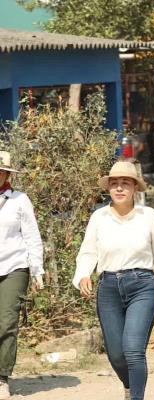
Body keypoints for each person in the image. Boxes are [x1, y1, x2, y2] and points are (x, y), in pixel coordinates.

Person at [73, 161, 154, 400]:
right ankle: (129, 385)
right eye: (114, 184)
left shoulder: (149, 216)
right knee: (116, 354)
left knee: (133, 350)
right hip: (109, 288)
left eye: (125, 183)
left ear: (135, 187)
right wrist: (83, 274)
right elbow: (88, 251)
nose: (119, 188)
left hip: (142, 286)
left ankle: (136, 396)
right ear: (109, 189)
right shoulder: (99, 217)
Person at [0, 152, 43, 400]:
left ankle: (2, 377)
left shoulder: (19, 200)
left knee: (6, 323)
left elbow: (31, 237)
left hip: (14, 267)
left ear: (7, 175)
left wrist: (37, 270)